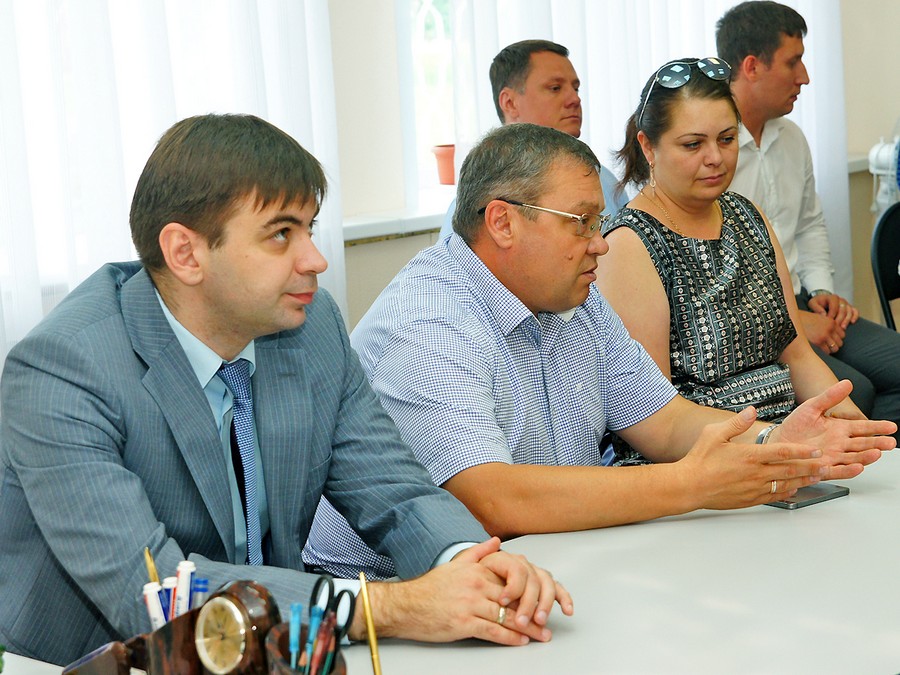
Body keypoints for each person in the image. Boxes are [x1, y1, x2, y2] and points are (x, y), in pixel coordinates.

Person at [0, 114, 572, 667]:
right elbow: (153, 592)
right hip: (91, 661)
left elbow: (395, 492)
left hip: (277, 651)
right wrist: (389, 608)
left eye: (309, 229)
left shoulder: (309, 326)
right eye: (280, 234)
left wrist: (471, 564)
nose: (315, 260)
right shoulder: (62, 371)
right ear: (185, 253)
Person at [302, 122, 895, 580]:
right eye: (581, 222)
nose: (601, 244)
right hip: (400, 599)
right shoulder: (427, 321)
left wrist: (775, 444)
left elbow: (664, 422)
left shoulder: (571, 295)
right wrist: (691, 485)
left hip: (553, 559)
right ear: (503, 222)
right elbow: (490, 499)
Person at [596, 56, 865, 466]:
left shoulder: (746, 215)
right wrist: (774, 440)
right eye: (693, 144)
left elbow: (796, 353)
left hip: (786, 445)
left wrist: (852, 424)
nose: (715, 158)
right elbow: (656, 418)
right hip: (697, 464)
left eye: (726, 139)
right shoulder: (629, 244)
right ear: (648, 146)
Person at [716, 0, 900, 430]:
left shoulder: (792, 137)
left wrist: (821, 290)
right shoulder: (711, 154)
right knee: (856, 390)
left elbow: (809, 224)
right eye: (792, 62)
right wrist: (793, 321)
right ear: (751, 66)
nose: (805, 77)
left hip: (799, 298)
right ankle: (858, 461)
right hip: (749, 321)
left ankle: (877, 463)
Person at [437, 39, 627, 239]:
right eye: (555, 88)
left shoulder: (603, 180)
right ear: (510, 103)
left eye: (576, 89)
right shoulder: (477, 205)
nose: (575, 99)